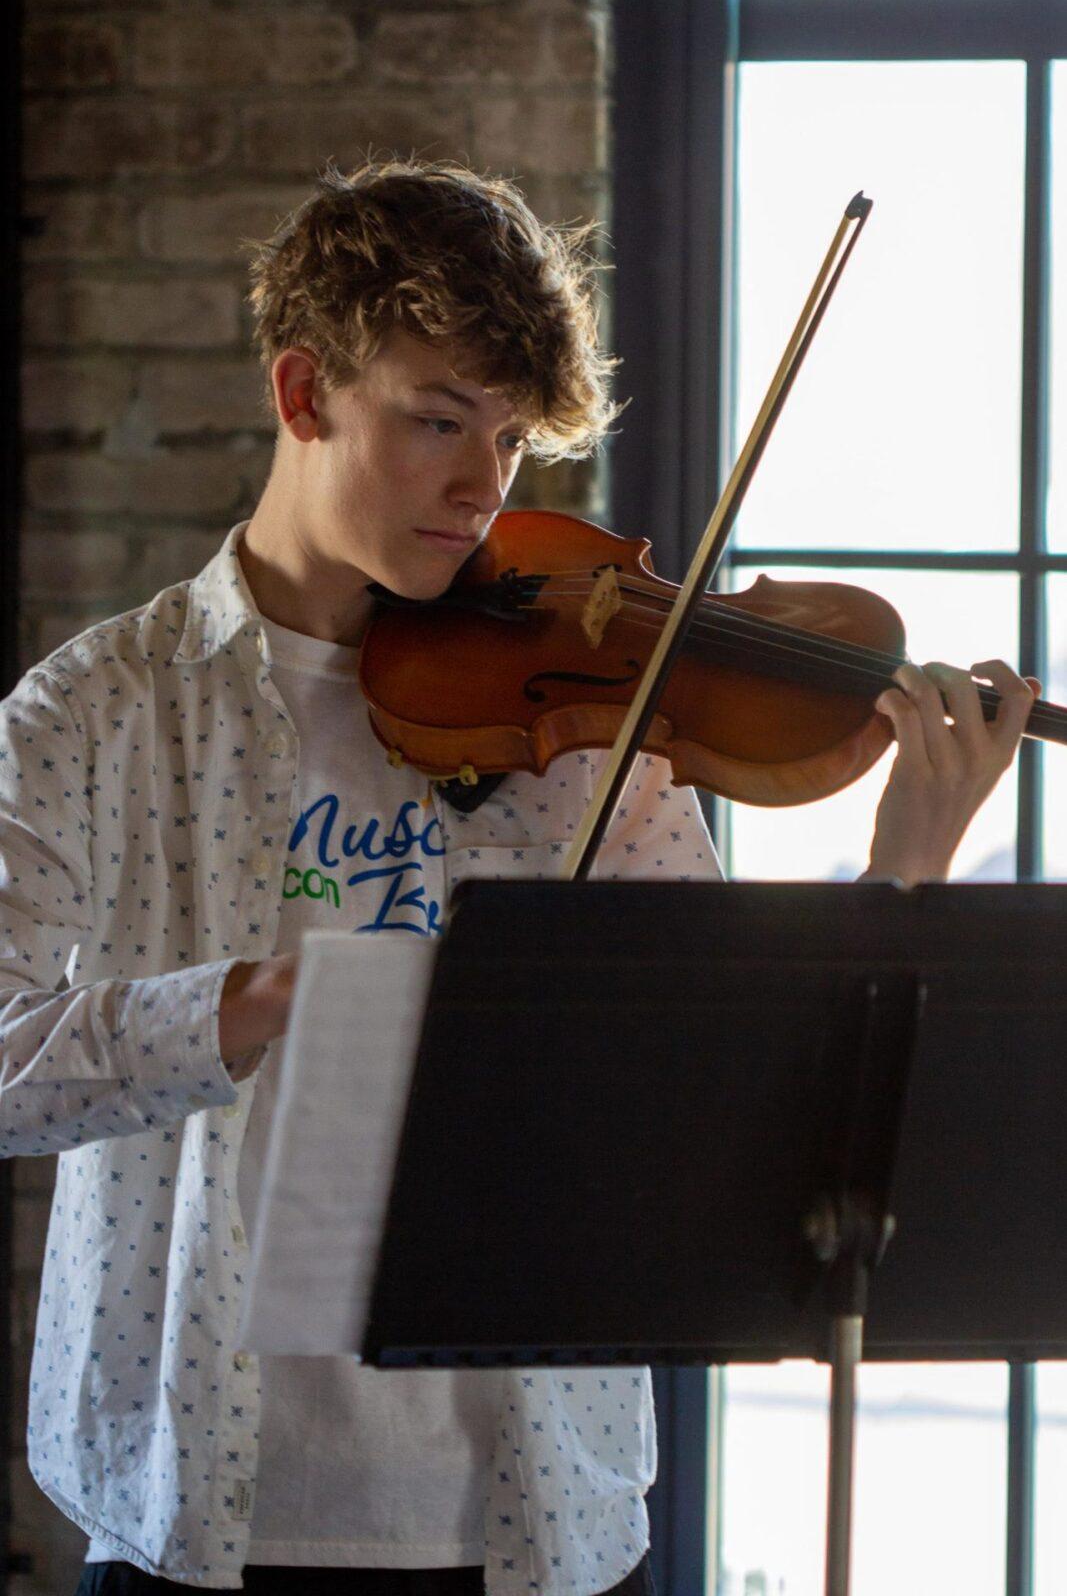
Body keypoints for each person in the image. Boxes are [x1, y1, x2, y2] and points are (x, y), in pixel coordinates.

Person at [0, 159, 1036, 1596]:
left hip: (541, 1516)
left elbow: (728, 1081)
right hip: (195, 1510)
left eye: (509, 437)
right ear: (303, 395)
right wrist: (260, 1001)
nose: (485, 486)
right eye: (437, 421)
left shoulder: (584, 714)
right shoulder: (93, 711)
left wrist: (901, 864)